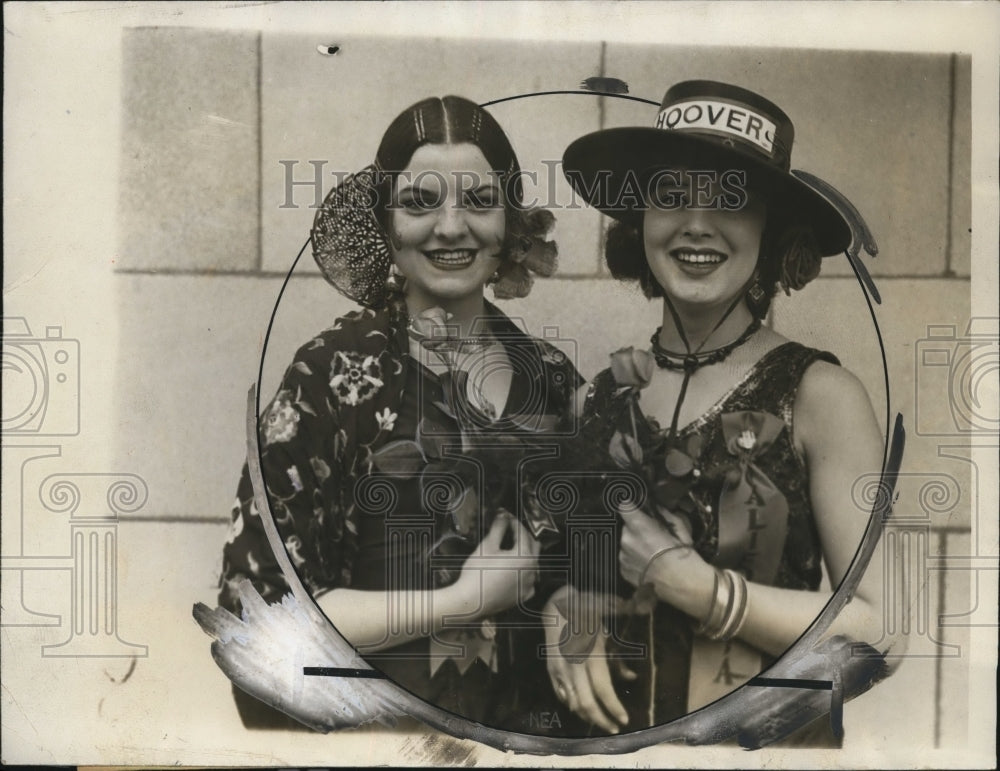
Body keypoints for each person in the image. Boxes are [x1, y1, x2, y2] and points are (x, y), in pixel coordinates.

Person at [542, 80, 903, 737]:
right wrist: (566, 606)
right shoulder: (597, 398)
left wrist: (703, 591)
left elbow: (887, 630)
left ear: (770, 228)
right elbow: (585, 578)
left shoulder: (821, 395)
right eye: (672, 196)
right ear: (641, 220)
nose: (697, 223)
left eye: (730, 199)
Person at [218, 95, 582, 730]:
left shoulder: (551, 380)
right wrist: (462, 601)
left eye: (477, 200)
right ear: (387, 225)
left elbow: (597, 565)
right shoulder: (329, 375)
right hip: (380, 739)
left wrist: (571, 602)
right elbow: (261, 613)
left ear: (511, 227)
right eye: (420, 202)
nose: (450, 227)